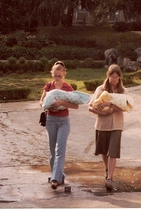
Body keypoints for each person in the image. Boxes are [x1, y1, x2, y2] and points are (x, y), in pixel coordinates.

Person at [39, 61, 79, 189]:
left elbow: (76, 105)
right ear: (52, 74)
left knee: (60, 150)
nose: (57, 78)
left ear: (64, 74)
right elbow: (41, 101)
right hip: (50, 120)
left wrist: (62, 102)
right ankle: (58, 175)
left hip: (63, 121)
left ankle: (55, 179)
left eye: (59, 76)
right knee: (52, 151)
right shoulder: (49, 86)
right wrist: (48, 105)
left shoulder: (68, 88)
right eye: (55, 75)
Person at [88, 64, 128, 191]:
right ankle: (107, 169)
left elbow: (126, 107)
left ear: (120, 77)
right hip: (102, 124)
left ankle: (110, 177)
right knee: (104, 151)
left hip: (117, 125)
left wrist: (110, 104)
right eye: (112, 77)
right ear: (108, 76)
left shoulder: (123, 91)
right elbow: (90, 107)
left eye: (116, 77)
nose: (114, 80)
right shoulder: (100, 89)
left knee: (113, 152)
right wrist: (102, 112)